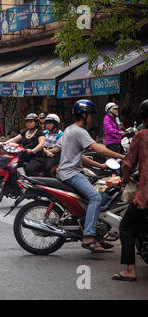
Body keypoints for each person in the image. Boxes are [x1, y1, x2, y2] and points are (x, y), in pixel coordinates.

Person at [56, 99, 125, 253]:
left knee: (98, 194)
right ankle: (88, 237)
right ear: (84, 115)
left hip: (67, 171)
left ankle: (98, 234)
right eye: (91, 115)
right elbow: (100, 150)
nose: (92, 118)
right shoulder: (80, 132)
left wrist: (100, 166)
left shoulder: (69, 129)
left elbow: (77, 156)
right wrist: (123, 156)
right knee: (95, 197)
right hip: (71, 174)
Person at [112, 99, 148, 281]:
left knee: (126, 226)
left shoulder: (141, 135)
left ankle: (130, 270)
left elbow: (127, 163)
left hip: (146, 196)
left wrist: (126, 178)